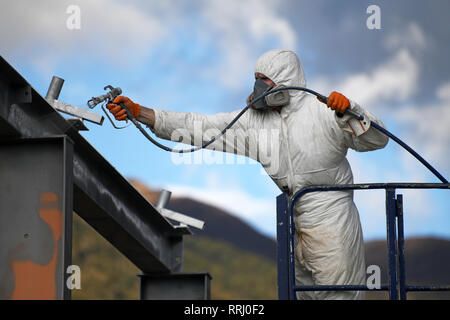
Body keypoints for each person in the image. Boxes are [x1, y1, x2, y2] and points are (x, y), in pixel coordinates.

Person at [106, 49, 388, 300]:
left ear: (286, 81)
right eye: (257, 78)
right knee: (302, 296)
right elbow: (200, 126)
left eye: (265, 80)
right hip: (293, 218)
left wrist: (350, 112)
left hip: (332, 219)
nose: (258, 86)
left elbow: (376, 140)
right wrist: (141, 113)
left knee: (338, 296)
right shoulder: (254, 123)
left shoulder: (324, 112)